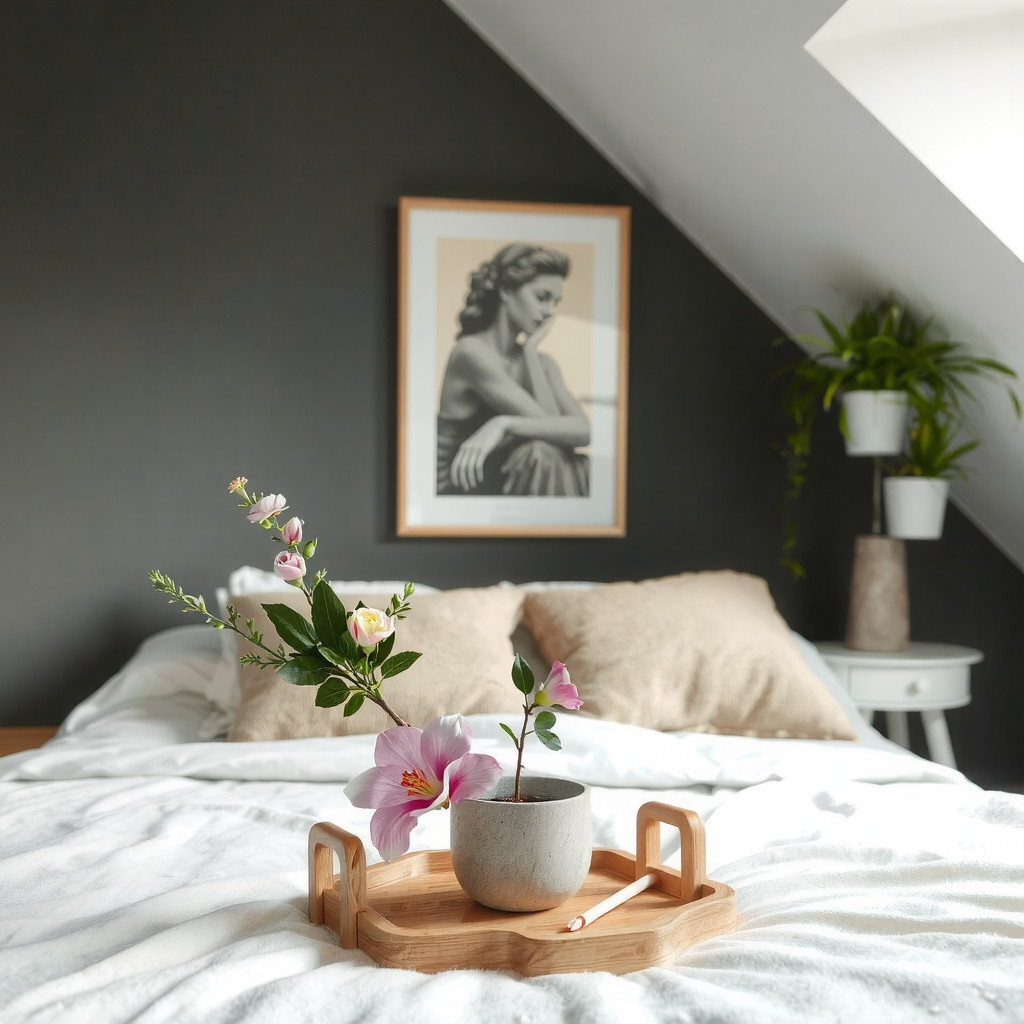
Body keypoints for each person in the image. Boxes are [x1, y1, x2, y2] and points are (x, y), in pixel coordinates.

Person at [436, 243, 590, 497]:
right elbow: (552, 429)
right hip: (461, 485)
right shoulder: (471, 352)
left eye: (555, 302)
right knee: (542, 454)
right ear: (507, 291)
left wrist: (504, 423)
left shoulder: (541, 362)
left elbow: (582, 432)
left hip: (501, 478)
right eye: (542, 297)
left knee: (571, 462)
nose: (549, 312)